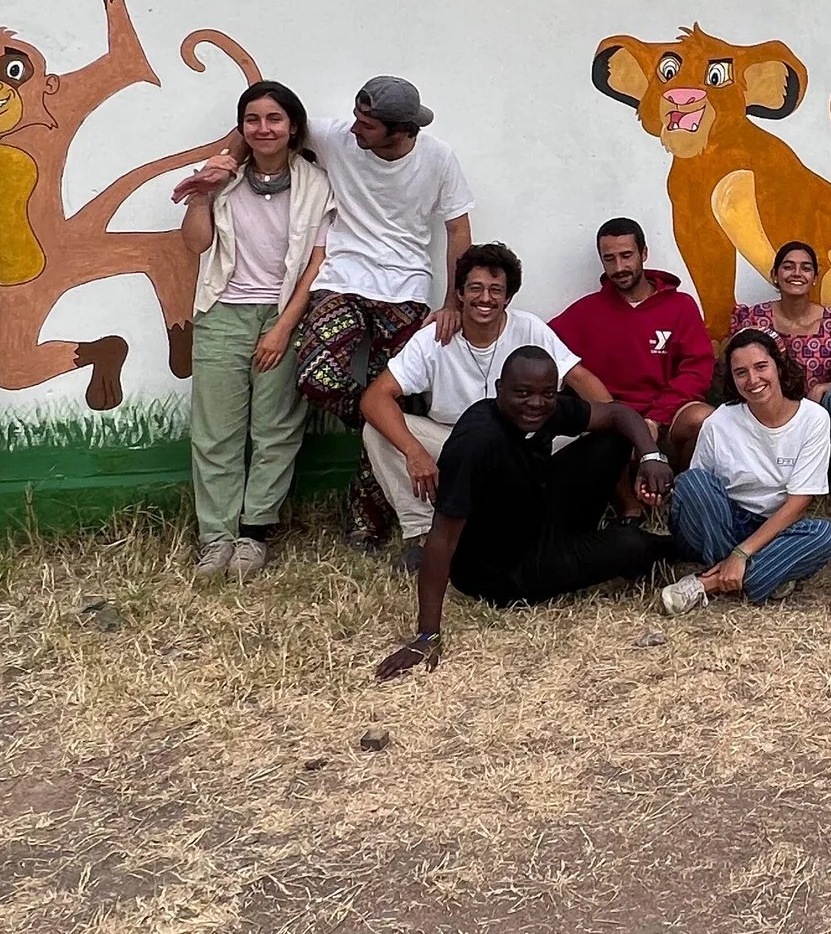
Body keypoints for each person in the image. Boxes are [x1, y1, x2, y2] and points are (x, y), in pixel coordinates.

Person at [179, 76, 472, 548]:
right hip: (341, 279)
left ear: (401, 131)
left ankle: (368, 519)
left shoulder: (438, 158)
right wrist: (225, 163)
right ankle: (377, 416)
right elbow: (258, 127)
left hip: (406, 288)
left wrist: (452, 302)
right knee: (318, 377)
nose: (354, 129)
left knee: (398, 401)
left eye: (367, 125)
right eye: (356, 117)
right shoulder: (337, 136)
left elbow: (458, 231)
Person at [372, 349, 674, 678]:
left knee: (614, 438)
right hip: (505, 571)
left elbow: (616, 414)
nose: (536, 403)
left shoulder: (544, 410)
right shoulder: (477, 442)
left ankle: (591, 540)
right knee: (632, 545)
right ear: (499, 389)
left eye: (547, 394)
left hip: (537, 511)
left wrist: (651, 457)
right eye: (523, 393)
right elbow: (442, 539)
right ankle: (682, 547)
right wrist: (426, 636)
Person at [357, 244, 606, 561]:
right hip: (454, 443)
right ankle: (427, 534)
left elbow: (579, 378)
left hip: (523, 445)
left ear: (508, 297)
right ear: (460, 293)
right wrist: (414, 451)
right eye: (475, 288)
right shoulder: (434, 338)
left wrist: (624, 421)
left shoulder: (528, 328)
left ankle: (553, 526)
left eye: (495, 290)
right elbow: (375, 398)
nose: (485, 298)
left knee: (594, 433)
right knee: (377, 432)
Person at [179, 81, 333, 581]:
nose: (263, 128)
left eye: (274, 119)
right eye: (253, 119)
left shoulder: (317, 185)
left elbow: (317, 264)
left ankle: (254, 533)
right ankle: (216, 536)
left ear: (293, 127)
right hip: (223, 312)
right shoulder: (223, 180)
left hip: (284, 314)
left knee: (276, 428)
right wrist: (200, 196)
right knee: (215, 432)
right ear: (242, 127)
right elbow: (196, 244)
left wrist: (283, 328)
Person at [662, 329, 831, 611]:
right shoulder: (719, 421)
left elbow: (799, 502)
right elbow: (697, 492)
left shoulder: (814, 418)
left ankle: (708, 582)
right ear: (732, 379)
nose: (753, 380)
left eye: (761, 367)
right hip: (721, 522)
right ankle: (766, 572)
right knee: (692, 482)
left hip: (772, 526)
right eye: (741, 373)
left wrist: (742, 552)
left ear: (778, 366)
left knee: (823, 534)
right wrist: (736, 551)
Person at [551, 217, 716, 467]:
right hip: (614, 422)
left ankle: (684, 488)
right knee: (611, 443)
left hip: (669, 416)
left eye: (626, 255)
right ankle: (632, 493)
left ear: (644, 253)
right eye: (609, 259)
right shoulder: (585, 311)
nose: (619, 267)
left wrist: (655, 419)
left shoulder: (681, 306)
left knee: (704, 419)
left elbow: (696, 371)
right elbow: (540, 343)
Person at [728, 241, 831, 472]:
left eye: (806, 268)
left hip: (820, 419)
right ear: (775, 275)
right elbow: (737, 372)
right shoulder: (752, 318)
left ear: (815, 277)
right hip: (768, 417)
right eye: (788, 266)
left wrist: (825, 387)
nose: (797, 273)